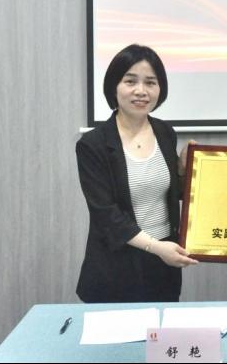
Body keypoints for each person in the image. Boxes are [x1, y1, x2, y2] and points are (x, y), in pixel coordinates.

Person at [75, 44, 198, 303]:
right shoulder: (93, 144)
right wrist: (155, 247)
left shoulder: (164, 132)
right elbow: (106, 214)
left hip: (164, 264)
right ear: (114, 86)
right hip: (115, 265)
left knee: (162, 328)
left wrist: (183, 170)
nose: (141, 91)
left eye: (150, 82)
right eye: (130, 81)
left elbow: (167, 193)